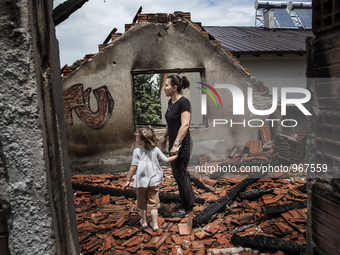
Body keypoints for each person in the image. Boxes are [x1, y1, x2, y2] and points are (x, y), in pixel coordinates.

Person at [123, 126, 178, 231]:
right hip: (153, 181)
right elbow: (166, 160)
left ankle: (143, 222)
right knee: (154, 204)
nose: (135, 138)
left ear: (142, 142)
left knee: (142, 203)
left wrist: (128, 180)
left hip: (141, 182)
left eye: (137, 137)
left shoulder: (137, 151)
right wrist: (176, 156)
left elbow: (133, 167)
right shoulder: (155, 150)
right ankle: (155, 224)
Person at [160, 74, 196, 218]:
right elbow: (170, 122)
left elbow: (185, 125)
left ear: (174, 88)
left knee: (180, 174)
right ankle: (187, 199)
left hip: (182, 145)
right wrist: (164, 137)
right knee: (178, 174)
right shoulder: (171, 103)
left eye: (166, 85)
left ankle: (187, 206)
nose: (164, 88)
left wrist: (176, 144)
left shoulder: (184, 102)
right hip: (174, 144)